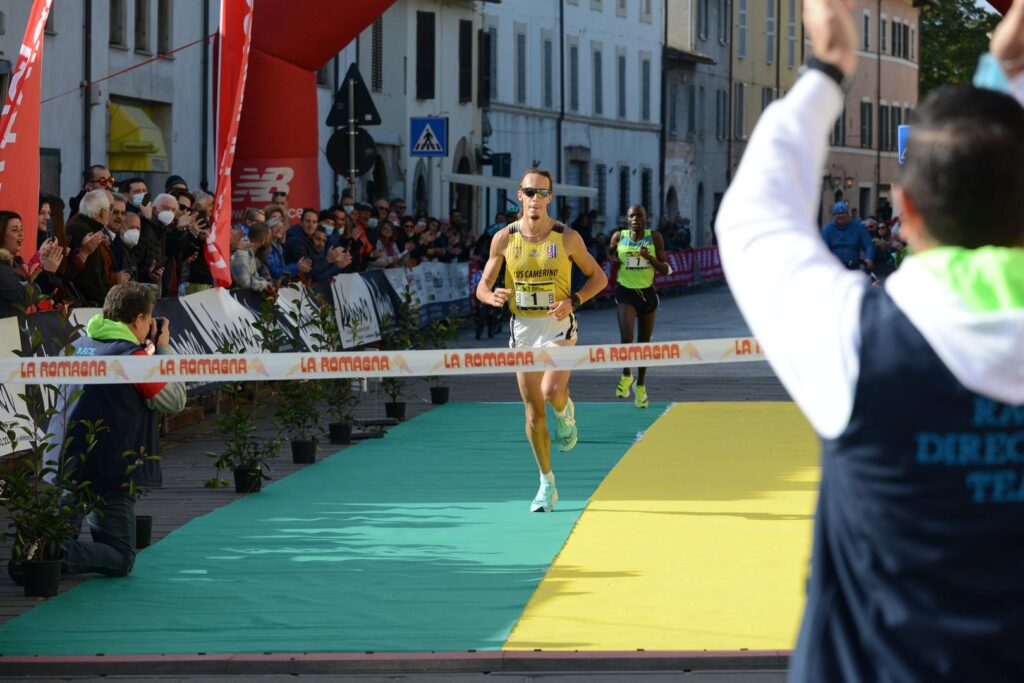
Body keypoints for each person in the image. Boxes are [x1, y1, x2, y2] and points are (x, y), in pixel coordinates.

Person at [715, 1, 1024, 681]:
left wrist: (829, 63)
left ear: (903, 211)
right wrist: (1009, 75)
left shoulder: (855, 344)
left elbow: (752, 211)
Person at [475, 168, 607, 513]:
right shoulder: (503, 238)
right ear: (519, 195)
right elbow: (482, 285)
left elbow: (599, 278)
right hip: (523, 329)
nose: (535, 199)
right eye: (529, 192)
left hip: (557, 327)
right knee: (533, 413)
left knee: (551, 393)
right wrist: (490, 297)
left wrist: (573, 301)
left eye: (542, 193)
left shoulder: (566, 238)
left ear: (551, 198)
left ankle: (566, 413)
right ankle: (546, 482)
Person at [44, 282, 186, 579]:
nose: (150, 325)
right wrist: (163, 347)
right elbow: (175, 400)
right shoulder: (132, 358)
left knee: (59, 528)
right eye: (149, 319)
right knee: (121, 559)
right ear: (138, 320)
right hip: (109, 470)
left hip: (65, 462)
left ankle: (45, 551)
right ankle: (55, 553)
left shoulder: (75, 345)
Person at [608, 204, 670, 408]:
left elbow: (667, 269)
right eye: (631, 216)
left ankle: (641, 385)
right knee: (626, 337)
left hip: (647, 294)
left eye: (639, 216)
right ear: (627, 219)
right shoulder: (618, 236)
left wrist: (649, 258)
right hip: (626, 292)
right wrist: (613, 257)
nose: (635, 219)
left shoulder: (654, 238)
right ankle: (626, 374)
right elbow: (610, 255)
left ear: (646, 218)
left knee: (644, 344)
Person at [820, 199, 874, 271]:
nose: (841, 215)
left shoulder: (857, 227)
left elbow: (868, 244)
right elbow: (822, 248)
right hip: (833, 267)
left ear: (848, 214)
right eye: (838, 213)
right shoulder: (827, 228)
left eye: (843, 213)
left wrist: (869, 257)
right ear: (834, 215)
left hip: (853, 266)